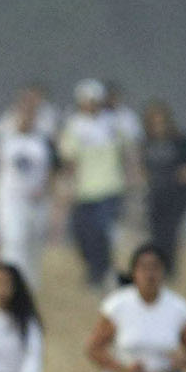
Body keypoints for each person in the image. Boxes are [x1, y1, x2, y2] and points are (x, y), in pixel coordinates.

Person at [58, 80, 128, 288]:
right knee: (82, 233)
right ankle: (92, 269)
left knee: (101, 231)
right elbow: (69, 159)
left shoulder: (112, 123)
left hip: (109, 187)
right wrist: (67, 186)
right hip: (83, 190)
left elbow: (125, 151)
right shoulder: (74, 126)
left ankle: (102, 272)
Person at [0, 91, 56, 287]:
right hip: (10, 200)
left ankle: (30, 283)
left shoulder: (43, 141)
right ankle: (11, 280)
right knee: (13, 240)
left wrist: (46, 191)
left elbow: (53, 170)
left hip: (36, 201)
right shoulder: (4, 138)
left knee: (32, 243)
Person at [139, 101, 186, 276]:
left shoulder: (179, 140)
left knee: (170, 233)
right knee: (156, 234)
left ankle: (170, 269)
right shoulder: (147, 141)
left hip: (176, 194)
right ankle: (158, 266)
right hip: (155, 193)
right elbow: (142, 164)